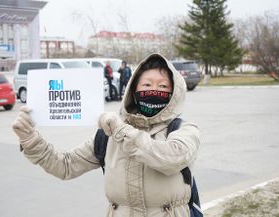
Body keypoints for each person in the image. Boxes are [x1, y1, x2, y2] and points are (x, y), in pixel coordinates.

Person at [12, 53, 200, 217]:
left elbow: (170, 158)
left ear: (174, 93)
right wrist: (31, 140)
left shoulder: (183, 129)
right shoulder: (107, 136)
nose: (154, 90)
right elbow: (66, 165)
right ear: (134, 92)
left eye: (163, 86)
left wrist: (121, 131)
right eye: (147, 84)